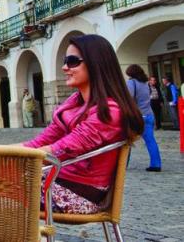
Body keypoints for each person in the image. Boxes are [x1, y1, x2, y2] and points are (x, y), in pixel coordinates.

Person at [21, 34, 144, 214]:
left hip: (80, 194)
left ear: (96, 64)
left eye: (72, 61)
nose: (64, 67)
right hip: (58, 182)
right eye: (65, 61)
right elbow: (37, 144)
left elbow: (60, 149)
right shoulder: (74, 105)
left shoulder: (108, 112)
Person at [125, 65, 162, 171]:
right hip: (149, 114)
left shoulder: (131, 83)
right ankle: (156, 165)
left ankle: (123, 164)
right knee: (150, 141)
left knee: (127, 140)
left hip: (136, 116)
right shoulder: (146, 83)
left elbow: (128, 98)